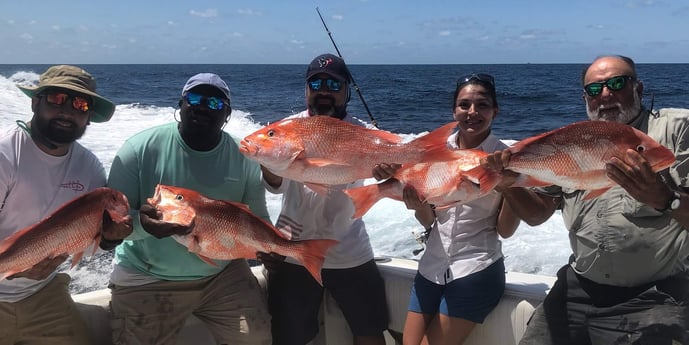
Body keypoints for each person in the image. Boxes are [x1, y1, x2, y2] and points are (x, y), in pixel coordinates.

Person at [483, 55, 689, 344]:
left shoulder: (678, 130)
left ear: (639, 89)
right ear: (585, 98)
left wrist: (666, 199)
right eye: (594, 89)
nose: (605, 94)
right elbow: (536, 215)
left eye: (617, 83)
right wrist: (508, 185)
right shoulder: (576, 138)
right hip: (577, 288)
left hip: (652, 296)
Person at [106, 73, 272, 345]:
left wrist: (275, 249)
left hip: (222, 274)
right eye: (195, 98)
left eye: (216, 103)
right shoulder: (137, 150)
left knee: (257, 338)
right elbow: (111, 227)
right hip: (147, 277)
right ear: (180, 104)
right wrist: (143, 226)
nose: (203, 106)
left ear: (227, 114)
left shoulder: (245, 158)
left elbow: (257, 218)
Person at [375, 73, 521, 345]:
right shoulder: (434, 151)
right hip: (431, 266)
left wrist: (510, 186)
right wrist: (417, 205)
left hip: (477, 269)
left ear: (495, 111)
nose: (472, 112)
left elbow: (506, 230)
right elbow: (430, 219)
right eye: (464, 105)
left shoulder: (506, 158)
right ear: (454, 110)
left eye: (483, 105)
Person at [256, 53, 389, 345]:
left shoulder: (365, 133)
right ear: (306, 89)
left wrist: (389, 171)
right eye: (316, 83)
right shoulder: (285, 130)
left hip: (350, 248)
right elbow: (275, 188)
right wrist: (269, 164)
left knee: (370, 331)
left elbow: (387, 180)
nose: (324, 90)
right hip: (295, 250)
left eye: (333, 83)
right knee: (290, 336)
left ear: (346, 91)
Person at [0, 65, 131, 345]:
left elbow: (91, 235)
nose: (68, 110)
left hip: (41, 292)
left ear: (88, 118)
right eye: (57, 99)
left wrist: (111, 238)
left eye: (80, 104)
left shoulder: (90, 168)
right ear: (36, 102)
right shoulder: (5, 153)